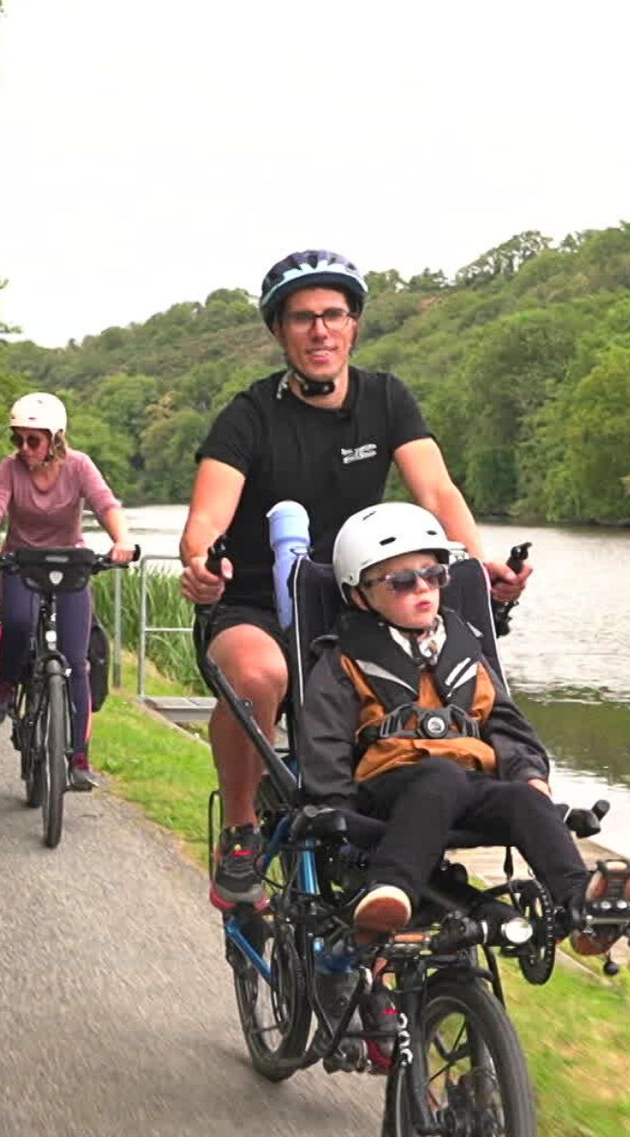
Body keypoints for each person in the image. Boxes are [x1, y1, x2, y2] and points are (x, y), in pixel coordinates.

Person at [178, 249, 532, 910]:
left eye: (333, 315)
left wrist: (476, 563)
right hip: (257, 604)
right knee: (259, 676)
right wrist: (201, 563)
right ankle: (242, 830)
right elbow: (206, 516)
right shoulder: (249, 415)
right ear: (280, 331)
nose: (320, 330)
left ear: (353, 326)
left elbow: (436, 489)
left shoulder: (386, 398)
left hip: (359, 606)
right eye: (303, 318)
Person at [297, 501, 628, 955]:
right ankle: (389, 889)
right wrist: (337, 813)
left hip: (469, 785)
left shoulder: (463, 650)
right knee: (441, 776)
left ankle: (580, 906)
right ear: (361, 595)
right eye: (402, 582)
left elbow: (505, 723)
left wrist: (529, 773)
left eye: (434, 576)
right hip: (389, 788)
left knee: (524, 800)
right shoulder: (345, 658)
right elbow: (324, 738)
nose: (423, 590)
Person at [0, 392, 135, 791]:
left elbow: (105, 504)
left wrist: (122, 541)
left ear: (56, 438)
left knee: (76, 659)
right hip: (20, 564)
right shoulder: (10, 470)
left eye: (33, 440)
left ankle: (79, 757)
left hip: (69, 565)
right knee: (18, 621)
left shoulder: (78, 466)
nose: (24, 449)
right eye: (18, 439)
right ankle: (6, 685)